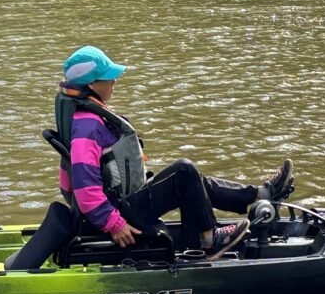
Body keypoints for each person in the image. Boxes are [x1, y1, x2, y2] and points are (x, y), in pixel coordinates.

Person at [56, 45, 294, 261]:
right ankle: (210, 239)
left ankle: (262, 194)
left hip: (119, 202)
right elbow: (86, 190)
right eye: (108, 78)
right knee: (184, 170)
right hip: (116, 213)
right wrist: (114, 224)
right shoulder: (87, 128)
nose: (114, 82)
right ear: (91, 86)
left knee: (192, 182)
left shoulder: (82, 116)